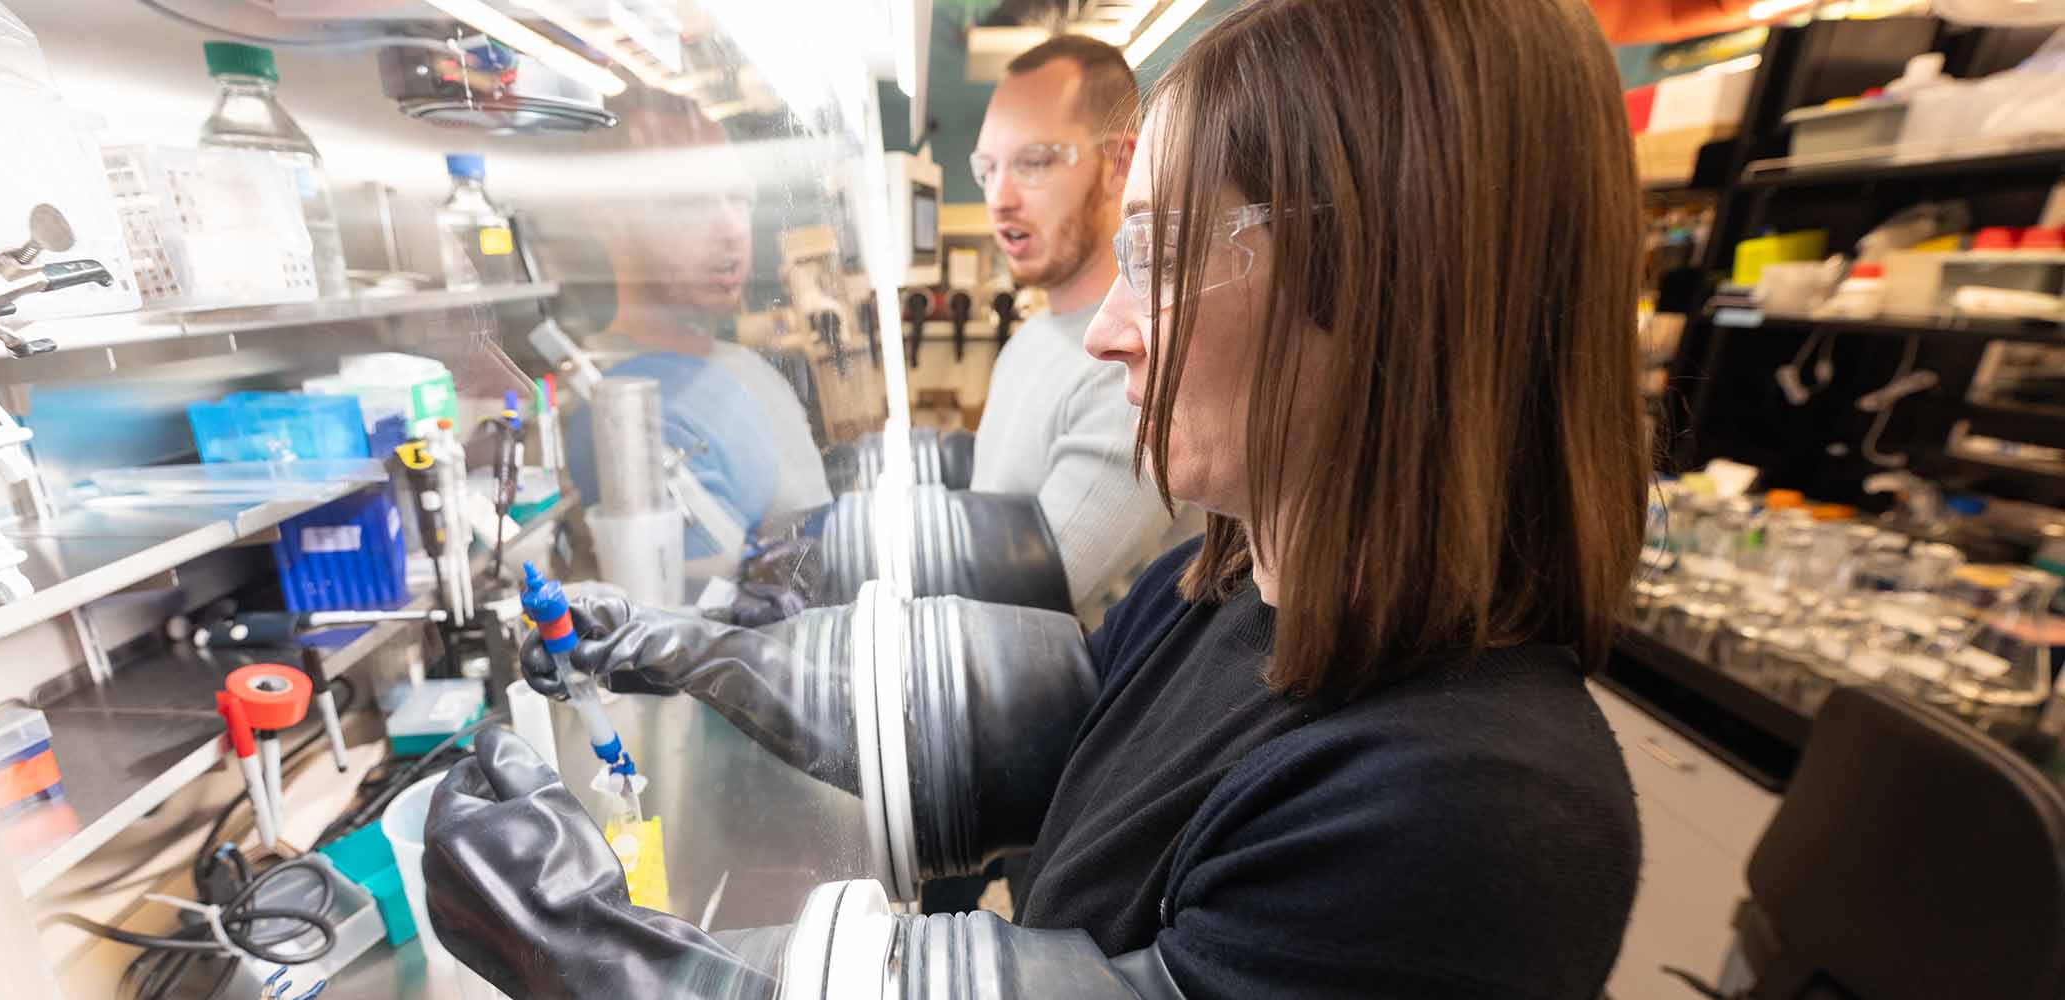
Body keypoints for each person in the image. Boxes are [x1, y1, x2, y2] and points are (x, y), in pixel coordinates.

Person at [422, 0, 1649, 996]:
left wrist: (596, 954)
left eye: (1161, 255)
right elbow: (1020, 725)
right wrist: (696, 654)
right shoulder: (1221, 588)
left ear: (1378, 274)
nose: (1109, 330)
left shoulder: (1471, 813)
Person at [967, 34, 1199, 627]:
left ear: (1120, 163)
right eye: (988, 168)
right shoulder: (1028, 341)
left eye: (1034, 162)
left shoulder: (1134, 360)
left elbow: (1015, 605)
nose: (1000, 198)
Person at [563, 87, 833, 558]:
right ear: (607, 217)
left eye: (739, 199)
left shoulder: (747, 368)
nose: (730, 229)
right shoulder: (616, 409)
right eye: (689, 201)